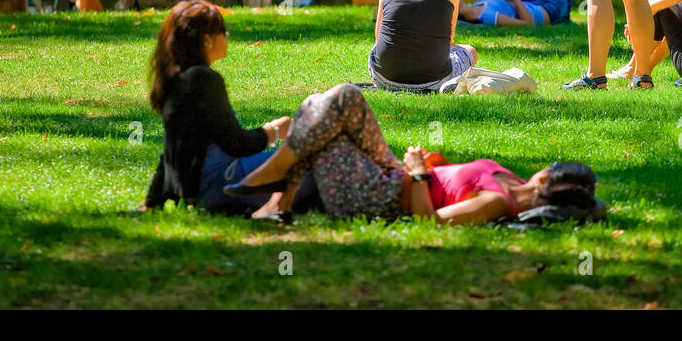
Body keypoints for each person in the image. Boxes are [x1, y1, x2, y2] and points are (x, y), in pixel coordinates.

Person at [226, 82, 597, 225]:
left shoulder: (497, 203)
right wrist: (435, 165)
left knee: (321, 119)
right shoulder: (510, 182)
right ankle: (277, 204)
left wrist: (419, 172)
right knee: (335, 99)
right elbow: (452, 185)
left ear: (546, 178)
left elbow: (428, 222)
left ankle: (273, 190)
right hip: (392, 173)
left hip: (381, 195)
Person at [142, 0, 308, 217]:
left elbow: (172, 153)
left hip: (203, 194)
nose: (227, 37)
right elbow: (237, 144)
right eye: (223, 31)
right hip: (223, 185)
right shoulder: (203, 79)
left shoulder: (179, 79)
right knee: (309, 157)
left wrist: (152, 203)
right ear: (207, 40)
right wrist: (274, 130)